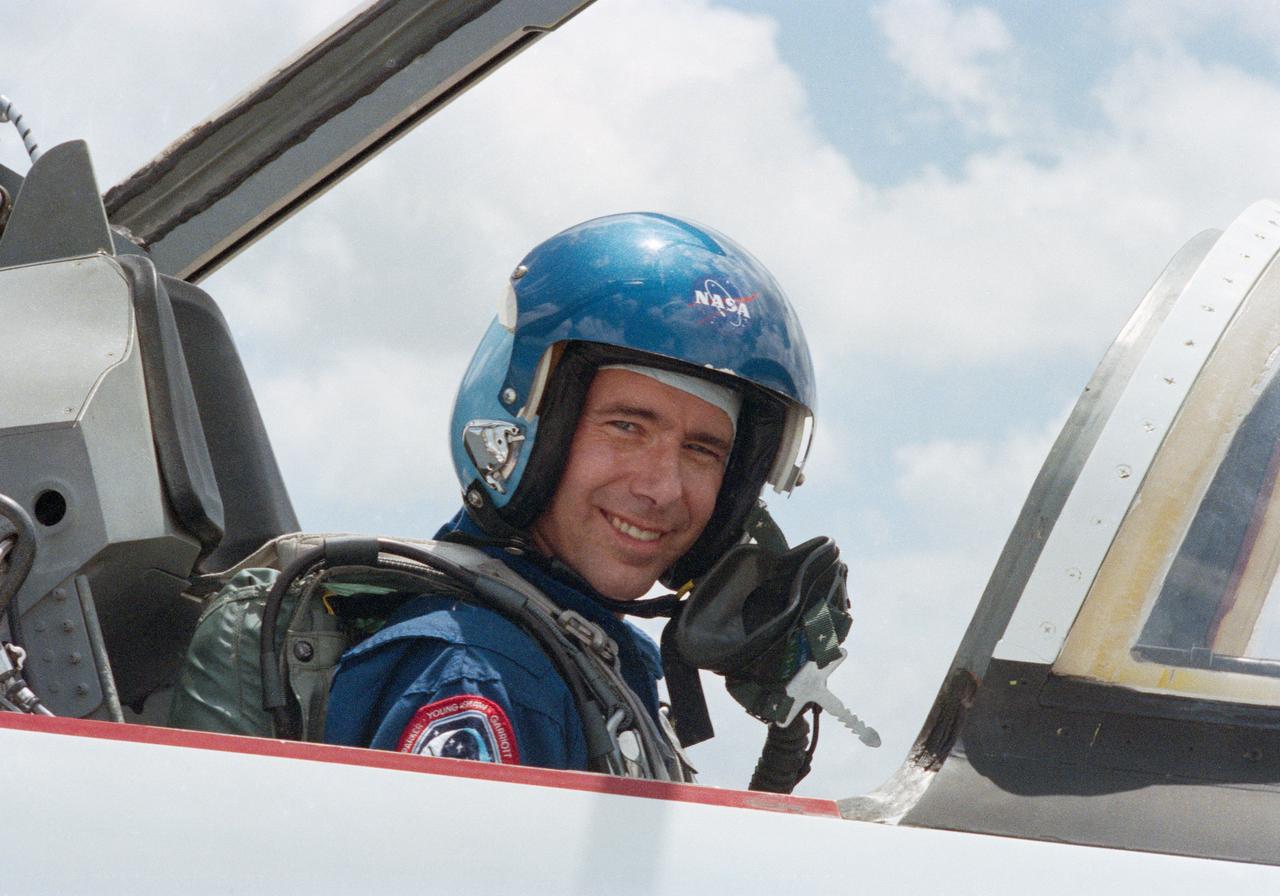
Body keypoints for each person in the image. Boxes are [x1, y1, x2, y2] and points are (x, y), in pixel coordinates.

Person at [323, 212, 816, 777]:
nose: (661, 489)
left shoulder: (588, 664)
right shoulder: (483, 676)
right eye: (627, 427)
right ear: (531, 432)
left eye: (703, 450)